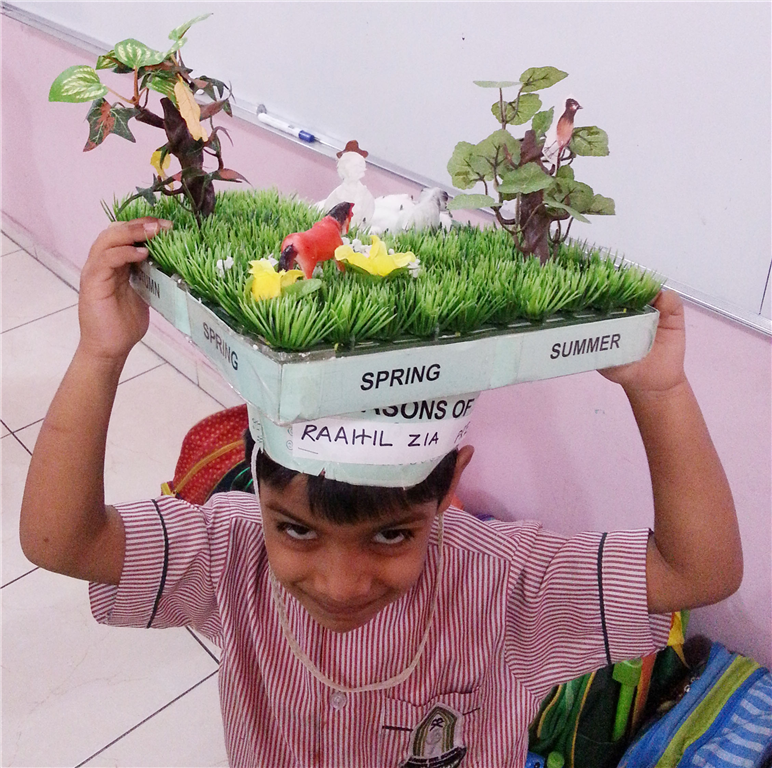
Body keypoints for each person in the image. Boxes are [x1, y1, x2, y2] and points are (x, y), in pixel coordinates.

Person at [20, 218, 743, 768]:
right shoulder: (228, 551)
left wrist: (661, 390)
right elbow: (62, 542)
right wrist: (100, 352)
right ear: (253, 474)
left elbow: (698, 572)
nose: (340, 584)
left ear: (449, 487)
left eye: (392, 535)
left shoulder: (502, 584)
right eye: (296, 530)